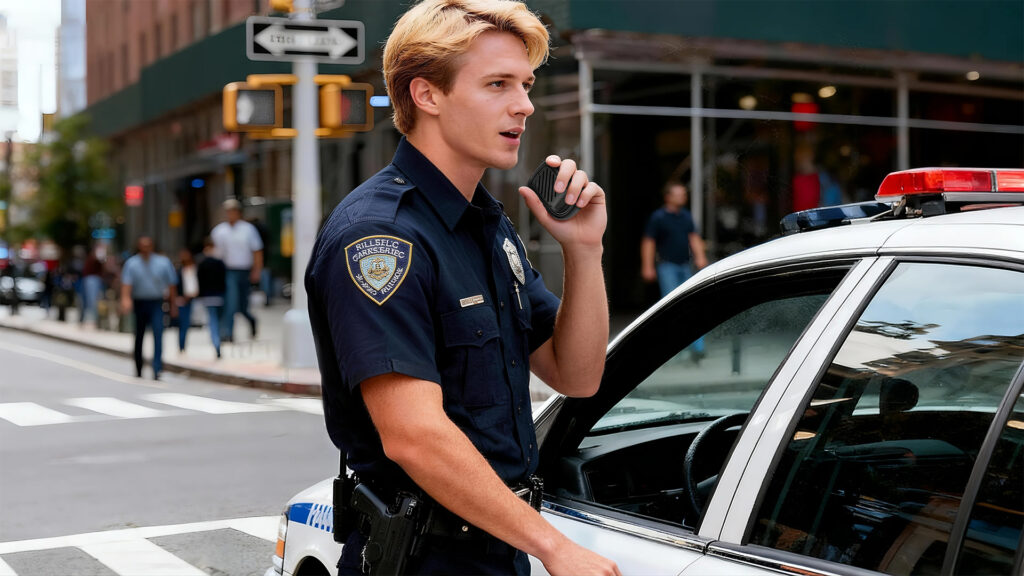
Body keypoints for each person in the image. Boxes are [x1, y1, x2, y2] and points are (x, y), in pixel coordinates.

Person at [305, 2, 620, 575]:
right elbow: (413, 436)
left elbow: (576, 375)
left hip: (499, 545)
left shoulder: (487, 226)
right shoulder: (382, 237)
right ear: (427, 95)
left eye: (524, 84)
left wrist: (584, 250)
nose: (523, 104)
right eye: (497, 84)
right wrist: (554, 546)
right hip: (424, 559)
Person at [119, 236, 177, 380]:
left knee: (158, 333)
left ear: (152, 246)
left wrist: (173, 305)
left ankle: (157, 368)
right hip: (139, 302)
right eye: (143, 246)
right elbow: (126, 284)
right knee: (139, 335)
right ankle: (138, 367)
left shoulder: (163, 262)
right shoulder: (132, 264)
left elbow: (171, 285)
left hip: (156, 302)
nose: (145, 249)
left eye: (148, 245)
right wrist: (125, 300)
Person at [641, 181, 708, 298]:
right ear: (668, 197)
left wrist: (700, 257)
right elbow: (649, 242)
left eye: (683, 195)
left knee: (687, 298)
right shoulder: (658, 217)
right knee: (671, 299)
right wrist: (647, 266)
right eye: (678, 195)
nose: (682, 198)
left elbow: (693, 237)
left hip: (686, 264)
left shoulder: (686, 216)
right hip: (667, 265)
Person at [211, 198, 262, 342]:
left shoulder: (248, 229)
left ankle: (251, 320)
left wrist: (256, 270)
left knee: (242, 305)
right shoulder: (219, 231)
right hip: (227, 271)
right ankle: (227, 333)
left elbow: (257, 251)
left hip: (244, 270)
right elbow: (215, 253)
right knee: (231, 302)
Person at [196, 236, 227, 358]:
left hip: (208, 296)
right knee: (217, 320)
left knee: (212, 320)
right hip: (218, 295)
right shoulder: (219, 263)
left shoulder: (202, 263)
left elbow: (199, 281)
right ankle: (217, 341)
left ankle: (216, 341)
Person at [175, 248, 199, 353]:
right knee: (183, 324)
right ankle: (181, 346)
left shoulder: (196, 269)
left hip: (195, 299)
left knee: (188, 323)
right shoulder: (178, 270)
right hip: (182, 300)